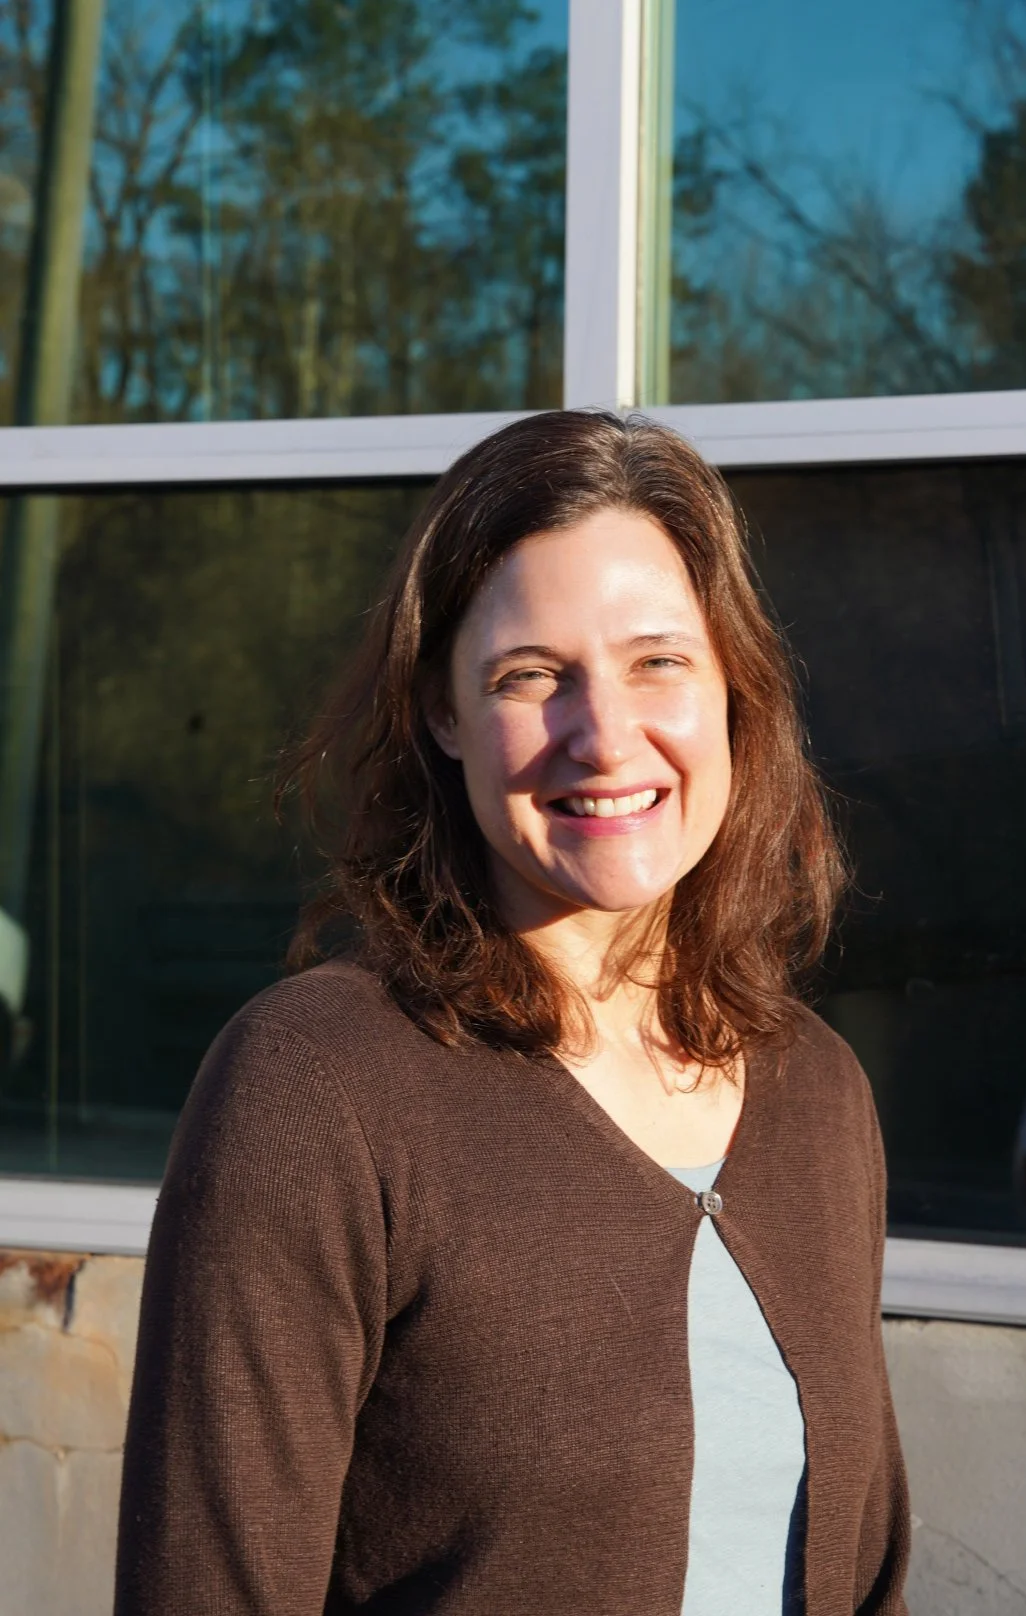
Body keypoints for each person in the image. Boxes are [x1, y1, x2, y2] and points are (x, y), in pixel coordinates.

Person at [114, 410, 909, 1615]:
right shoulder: (318, 1088)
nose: (605, 736)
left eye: (658, 661)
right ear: (442, 711)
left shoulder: (819, 1091)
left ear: (732, 688)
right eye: (531, 675)